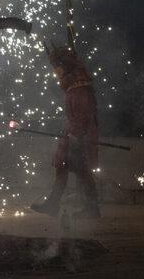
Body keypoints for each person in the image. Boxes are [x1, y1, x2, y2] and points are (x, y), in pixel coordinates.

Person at [31, 45, 101, 217]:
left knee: (82, 171)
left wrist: (71, 136)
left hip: (78, 138)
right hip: (75, 136)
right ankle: (54, 204)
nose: (56, 72)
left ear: (65, 67)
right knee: (68, 170)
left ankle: (90, 208)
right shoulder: (74, 88)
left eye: (57, 68)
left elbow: (81, 119)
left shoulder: (79, 90)